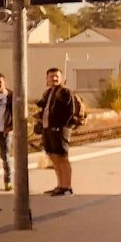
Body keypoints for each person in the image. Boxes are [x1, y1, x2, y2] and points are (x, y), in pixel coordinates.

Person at [34, 67, 86, 196]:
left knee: (62, 157)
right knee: (53, 156)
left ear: (61, 78)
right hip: (48, 128)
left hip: (60, 129)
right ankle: (59, 184)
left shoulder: (64, 92)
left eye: (57, 76)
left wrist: (60, 126)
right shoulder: (48, 93)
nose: (54, 79)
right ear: (47, 79)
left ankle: (67, 186)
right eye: (51, 76)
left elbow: (69, 111)